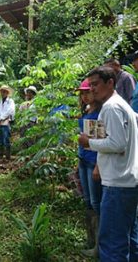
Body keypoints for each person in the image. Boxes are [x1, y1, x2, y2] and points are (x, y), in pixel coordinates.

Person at [79, 66, 138, 262]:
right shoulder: (123, 105)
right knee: (129, 239)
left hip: (117, 184)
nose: (92, 89)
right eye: (90, 85)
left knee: (112, 243)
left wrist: (89, 142)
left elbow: (117, 143)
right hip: (128, 181)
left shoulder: (111, 107)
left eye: (95, 84)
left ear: (110, 83)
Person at [76, 79, 102, 257]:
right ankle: (90, 240)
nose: (84, 96)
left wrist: (98, 167)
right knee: (87, 200)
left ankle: (99, 245)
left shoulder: (99, 113)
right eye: (82, 93)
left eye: (87, 92)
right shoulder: (86, 111)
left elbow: (100, 143)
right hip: (84, 159)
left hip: (93, 161)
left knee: (95, 202)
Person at [0, 85, 15, 160]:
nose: (2, 93)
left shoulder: (10, 101)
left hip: (6, 123)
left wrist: (1, 118)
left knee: (6, 140)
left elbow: (10, 111)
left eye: (4, 91)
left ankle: (7, 157)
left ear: (7, 93)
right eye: (1, 91)